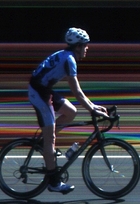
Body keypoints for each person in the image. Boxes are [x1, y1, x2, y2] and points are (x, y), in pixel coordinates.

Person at [28, 27, 108, 194]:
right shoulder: (69, 60)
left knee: (71, 112)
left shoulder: (66, 55)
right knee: (50, 139)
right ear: (78, 46)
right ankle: (54, 182)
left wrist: (92, 106)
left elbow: (77, 93)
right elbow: (77, 92)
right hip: (38, 92)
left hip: (44, 89)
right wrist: (92, 109)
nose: (87, 48)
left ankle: (47, 144)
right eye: (85, 45)